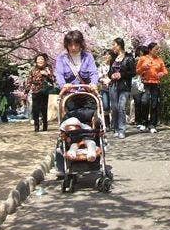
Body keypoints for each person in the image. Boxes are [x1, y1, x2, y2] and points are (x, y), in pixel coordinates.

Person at [54, 30, 99, 177]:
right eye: (70, 44)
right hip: (70, 95)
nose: (73, 47)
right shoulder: (62, 58)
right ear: (67, 45)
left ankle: (92, 150)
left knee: (91, 120)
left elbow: (93, 72)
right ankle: (68, 155)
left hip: (86, 94)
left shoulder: (88, 57)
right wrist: (63, 85)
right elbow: (59, 74)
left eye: (76, 44)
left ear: (81, 44)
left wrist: (93, 84)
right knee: (71, 123)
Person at [136, 42, 169, 133]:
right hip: (146, 83)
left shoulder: (159, 60)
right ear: (150, 50)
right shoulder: (143, 58)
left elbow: (165, 70)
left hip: (155, 83)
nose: (157, 51)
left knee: (154, 104)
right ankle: (144, 123)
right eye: (155, 49)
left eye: (158, 49)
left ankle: (152, 124)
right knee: (145, 102)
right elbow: (137, 71)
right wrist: (143, 67)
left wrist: (162, 73)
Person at [108, 38, 135, 139]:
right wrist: (112, 75)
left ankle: (122, 129)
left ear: (119, 45)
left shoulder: (129, 58)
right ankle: (115, 128)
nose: (112, 47)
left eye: (114, 44)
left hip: (124, 86)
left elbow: (133, 72)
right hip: (113, 86)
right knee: (114, 108)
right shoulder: (113, 58)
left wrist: (121, 74)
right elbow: (109, 72)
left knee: (121, 107)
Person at [25, 53, 56, 132]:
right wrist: (26, 91)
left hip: (45, 90)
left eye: (42, 59)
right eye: (38, 59)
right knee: (35, 109)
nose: (40, 61)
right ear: (36, 61)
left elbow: (53, 79)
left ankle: (45, 126)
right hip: (35, 90)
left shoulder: (48, 68)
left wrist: (47, 74)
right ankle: (36, 126)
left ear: (45, 61)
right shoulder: (33, 69)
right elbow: (29, 80)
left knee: (44, 109)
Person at [132, 45, 148, 131]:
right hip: (136, 83)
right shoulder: (134, 61)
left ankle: (144, 121)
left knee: (144, 102)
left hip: (145, 82)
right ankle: (139, 121)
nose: (140, 54)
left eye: (142, 52)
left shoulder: (148, 60)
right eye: (139, 52)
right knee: (137, 102)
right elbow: (132, 72)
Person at [97, 49, 113, 128]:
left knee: (114, 106)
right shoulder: (101, 66)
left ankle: (114, 123)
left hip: (113, 87)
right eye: (105, 55)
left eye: (108, 55)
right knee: (106, 106)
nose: (106, 56)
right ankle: (107, 123)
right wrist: (102, 80)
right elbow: (98, 77)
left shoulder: (114, 65)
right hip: (104, 88)